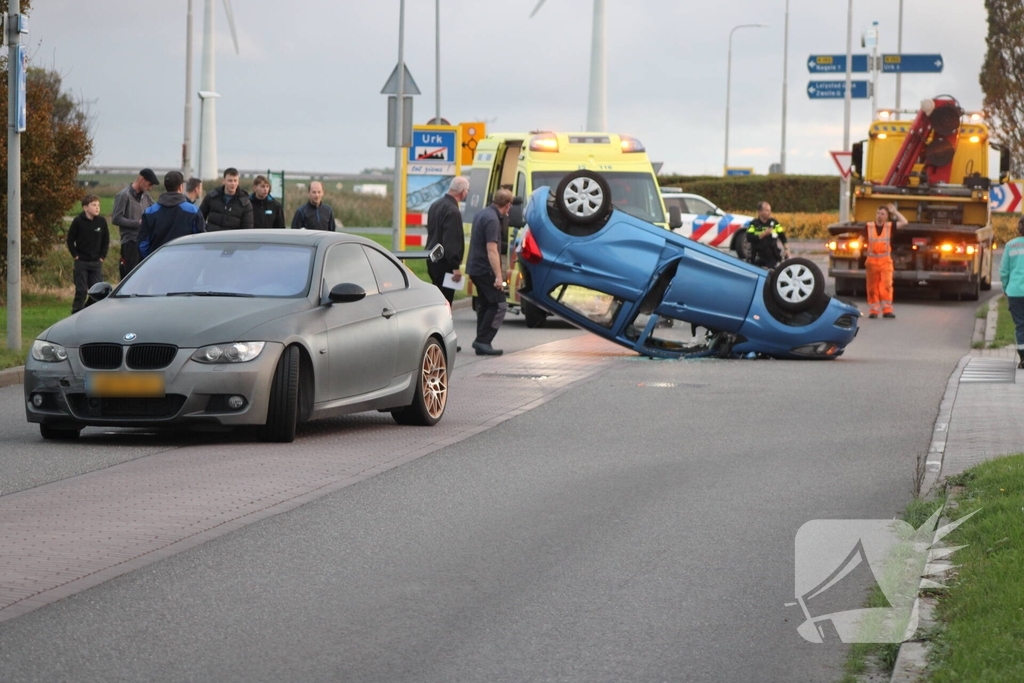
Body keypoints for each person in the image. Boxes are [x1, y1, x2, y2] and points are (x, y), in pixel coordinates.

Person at [467, 188, 513, 356]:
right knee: (499, 305)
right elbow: (492, 249)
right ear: (508, 205)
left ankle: (481, 342)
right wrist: (499, 277)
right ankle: (483, 340)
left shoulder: (482, 214)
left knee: (485, 304)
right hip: (486, 269)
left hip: (475, 267)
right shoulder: (493, 220)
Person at [138, 171, 207, 258]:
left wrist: (151, 261)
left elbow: (143, 244)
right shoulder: (193, 210)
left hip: (157, 263)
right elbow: (201, 241)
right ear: (180, 187)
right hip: (184, 263)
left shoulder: (150, 212)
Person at [425, 176, 469, 304]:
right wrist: (455, 266)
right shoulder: (453, 211)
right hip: (445, 264)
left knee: (437, 297)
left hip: (432, 259)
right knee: (445, 301)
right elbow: (451, 241)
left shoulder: (435, 205)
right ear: (463, 191)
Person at [66, 194, 109, 313]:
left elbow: (106, 240)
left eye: (98, 205)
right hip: (82, 262)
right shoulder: (78, 221)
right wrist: (75, 255)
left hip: (96, 262)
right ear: (85, 208)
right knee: (81, 290)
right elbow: (70, 240)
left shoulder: (101, 221)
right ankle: (76, 312)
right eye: (94, 205)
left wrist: (102, 256)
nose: (97, 208)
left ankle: (90, 310)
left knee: (98, 291)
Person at [112, 168, 158, 278]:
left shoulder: (146, 197)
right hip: (130, 243)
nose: (150, 188)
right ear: (141, 179)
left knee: (144, 277)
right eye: (149, 184)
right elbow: (116, 218)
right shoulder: (123, 195)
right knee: (130, 278)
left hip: (144, 242)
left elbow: (156, 210)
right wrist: (138, 223)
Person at [864, 203, 907, 319]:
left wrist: (895, 212)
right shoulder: (869, 226)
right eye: (878, 213)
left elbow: (904, 222)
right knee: (872, 287)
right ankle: (874, 310)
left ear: (887, 216)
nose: (879, 216)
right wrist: (857, 249)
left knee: (886, 285)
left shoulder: (889, 226)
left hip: (885, 262)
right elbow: (861, 238)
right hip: (872, 262)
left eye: (882, 214)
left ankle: (887, 310)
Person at [1000, 216, 1024, 368]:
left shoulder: (1011, 245)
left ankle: (1023, 359)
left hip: (1015, 292)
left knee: (1021, 325)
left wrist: (1005, 288)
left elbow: (1004, 271)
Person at [200, 167, 253, 231]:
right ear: (223, 181)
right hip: (212, 236)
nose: (233, 184)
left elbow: (247, 228)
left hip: (232, 238)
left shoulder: (245, 202)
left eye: (235, 181)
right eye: (230, 181)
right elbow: (200, 217)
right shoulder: (212, 197)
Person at [745, 201, 790, 268]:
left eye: (769, 210)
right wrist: (763, 234)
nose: (769, 212)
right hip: (758, 257)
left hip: (772, 257)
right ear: (760, 212)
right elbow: (749, 237)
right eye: (766, 210)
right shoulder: (754, 224)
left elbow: (782, 237)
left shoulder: (774, 223)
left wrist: (786, 249)